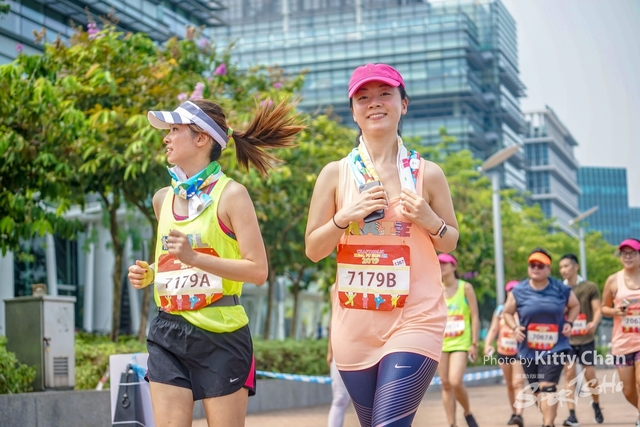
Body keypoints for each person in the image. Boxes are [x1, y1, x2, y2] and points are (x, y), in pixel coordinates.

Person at [127, 98, 304, 427]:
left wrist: (195, 257)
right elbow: (173, 259)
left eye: (174, 129)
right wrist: (149, 273)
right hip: (168, 330)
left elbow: (258, 270)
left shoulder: (232, 195)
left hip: (222, 334)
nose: (166, 137)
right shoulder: (162, 199)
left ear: (201, 138)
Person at [305, 63, 459, 427]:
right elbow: (313, 249)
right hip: (355, 327)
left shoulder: (427, 173)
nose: (374, 103)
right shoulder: (334, 174)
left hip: (415, 319)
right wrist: (344, 216)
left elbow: (450, 239)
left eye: (385, 94)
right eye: (363, 97)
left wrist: (429, 219)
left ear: (403, 104)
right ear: (353, 112)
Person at [503, 248, 580, 427]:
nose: (536, 268)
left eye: (540, 265)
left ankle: (548, 423)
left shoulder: (560, 288)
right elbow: (507, 312)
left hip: (555, 347)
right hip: (528, 350)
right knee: (537, 390)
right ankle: (548, 418)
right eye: (532, 265)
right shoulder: (518, 291)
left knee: (548, 387)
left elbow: (575, 305)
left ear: (548, 269)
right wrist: (514, 327)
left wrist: (570, 322)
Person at [559, 253, 604, 426]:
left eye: (566, 266)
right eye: (561, 267)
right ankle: (572, 414)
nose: (563, 270)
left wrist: (594, 323)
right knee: (569, 374)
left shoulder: (589, 287)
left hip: (586, 338)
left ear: (576, 267)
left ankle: (596, 404)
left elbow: (598, 309)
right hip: (567, 340)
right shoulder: (559, 289)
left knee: (589, 374)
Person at [438, 253, 481, 427]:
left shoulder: (465, 288)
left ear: (454, 266)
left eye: (445, 263)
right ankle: (452, 424)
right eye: (439, 263)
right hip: (441, 343)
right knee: (445, 383)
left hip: (461, 343)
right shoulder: (436, 289)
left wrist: (474, 343)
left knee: (455, 381)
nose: (441, 266)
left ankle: (467, 411)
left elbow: (475, 316)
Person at [601, 238, 640, 427]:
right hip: (622, 343)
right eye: (624, 253)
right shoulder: (613, 280)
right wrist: (615, 311)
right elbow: (603, 308)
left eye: (632, 253)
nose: (628, 257)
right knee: (628, 391)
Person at [484, 280, 525, 427]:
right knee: (509, 384)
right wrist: (487, 344)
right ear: (507, 292)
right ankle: (514, 413)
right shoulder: (500, 309)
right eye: (510, 289)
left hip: (520, 352)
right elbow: (494, 329)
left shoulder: (525, 309)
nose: (513, 292)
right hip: (503, 351)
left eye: (516, 289)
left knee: (518, 383)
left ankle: (519, 414)